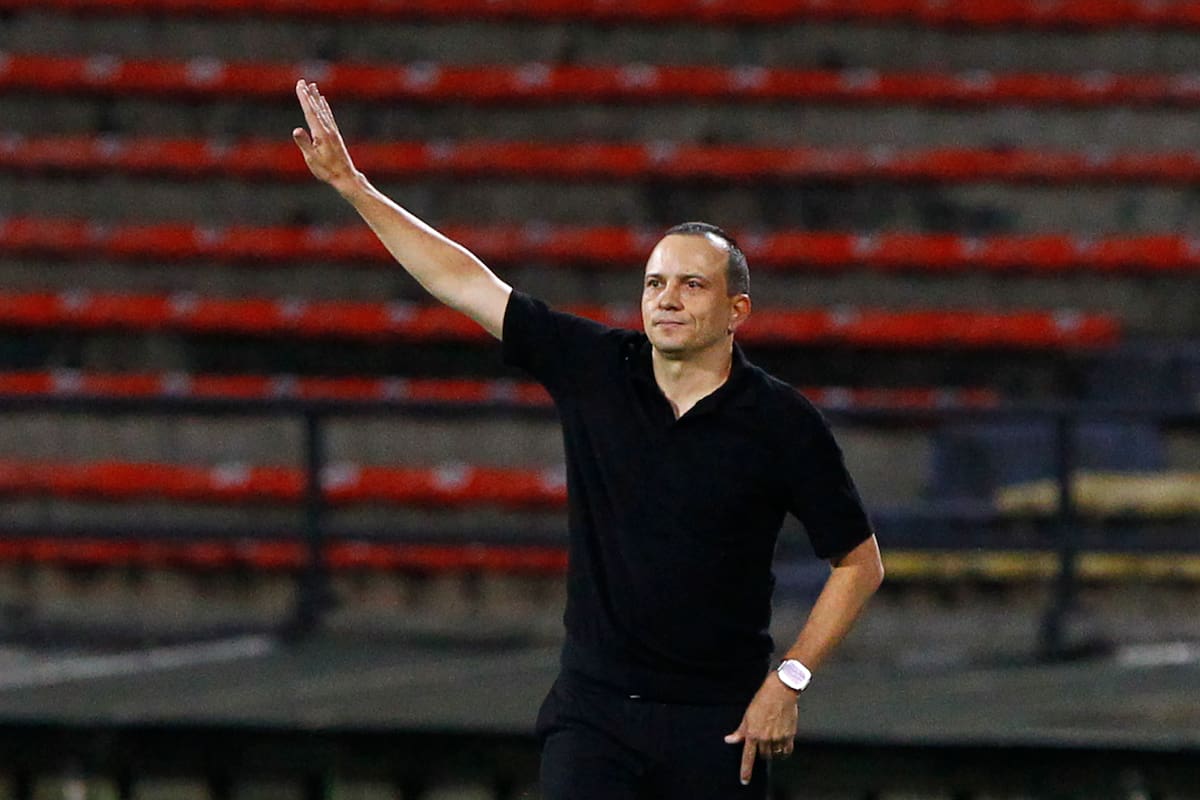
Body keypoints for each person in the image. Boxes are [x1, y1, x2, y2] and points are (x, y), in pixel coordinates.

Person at [293, 79, 884, 799]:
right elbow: (466, 283)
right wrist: (354, 188)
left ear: (737, 310)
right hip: (594, 716)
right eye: (654, 283)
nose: (666, 298)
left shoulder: (781, 422)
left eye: (691, 286)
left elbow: (858, 563)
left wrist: (790, 678)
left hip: (719, 722)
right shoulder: (598, 368)